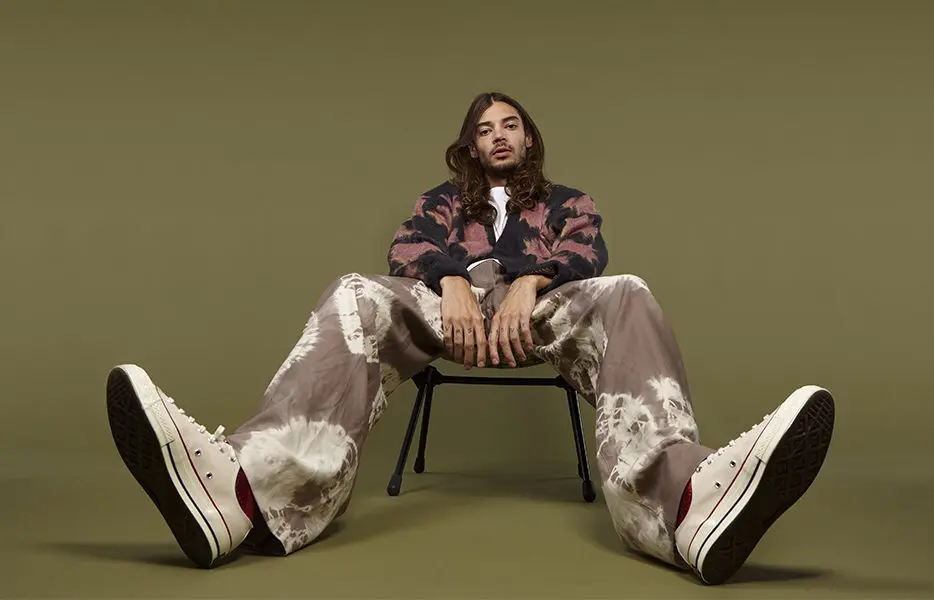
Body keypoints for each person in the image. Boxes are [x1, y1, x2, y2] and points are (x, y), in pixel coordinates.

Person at [105, 91, 835, 585]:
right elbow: (407, 250)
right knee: (354, 292)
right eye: (484, 129)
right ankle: (241, 488)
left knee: (629, 291)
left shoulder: (569, 202)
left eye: (509, 125)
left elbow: (587, 252)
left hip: (543, 312)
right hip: (445, 314)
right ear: (471, 145)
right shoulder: (440, 202)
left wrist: (529, 282)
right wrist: (453, 280)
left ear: (528, 137)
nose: (498, 135)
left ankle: (687, 500)